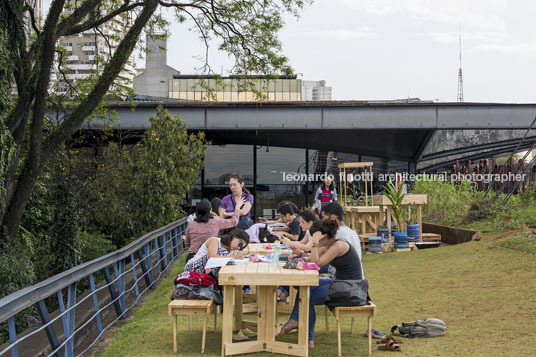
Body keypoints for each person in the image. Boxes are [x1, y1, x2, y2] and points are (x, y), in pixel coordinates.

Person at [279, 219, 364, 348]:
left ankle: (308, 338)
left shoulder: (339, 246)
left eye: (315, 237)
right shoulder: (329, 245)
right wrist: (298, 258)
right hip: (339, 282)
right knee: (306, 287)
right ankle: (295, 320)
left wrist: (314, 244)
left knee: (307, 297)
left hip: (352, 289)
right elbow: (311, 258)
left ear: (323, 237)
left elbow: (315, 263)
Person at [184, 197, 244, 264]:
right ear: (210, 211)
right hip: (209, 258)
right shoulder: (215, 221)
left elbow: (187, 243)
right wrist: (237, 208)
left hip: (192, 258)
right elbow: (234, 222)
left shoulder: (191, 224)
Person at [322, 202, 364, 278]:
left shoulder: (339, 234)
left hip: (348, 281)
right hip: (346, 277)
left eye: (324, 218)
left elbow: (320, 260)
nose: (322, 221)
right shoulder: (348, 231)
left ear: (334, 217)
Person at [184, 229, 249, 273]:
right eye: (240, 244)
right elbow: (212, 257)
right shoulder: (214, 240)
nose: (238, 247)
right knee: (222, 252)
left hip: (206, 270)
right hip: (191, 268)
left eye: (241, 248)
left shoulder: (232, 251)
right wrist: (233, 257)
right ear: (234, 236)